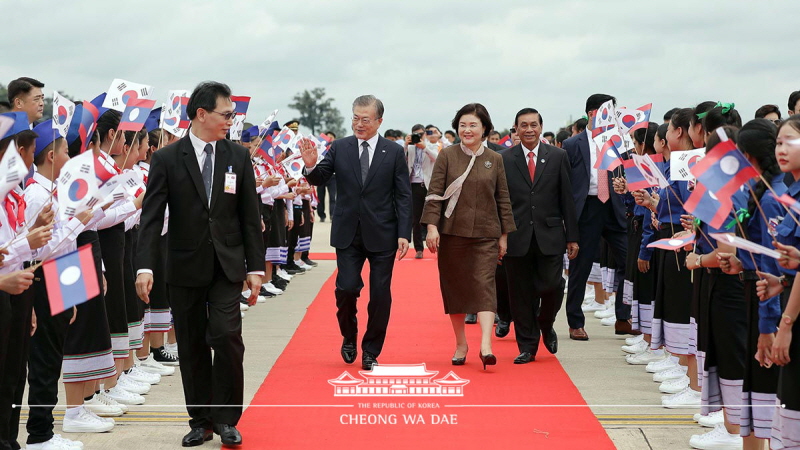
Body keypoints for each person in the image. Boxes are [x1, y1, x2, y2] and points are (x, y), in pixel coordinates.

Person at [136, 81, 265, 447]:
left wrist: (255, 268)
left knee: (225, 336)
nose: (231, 120)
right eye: (226, 114)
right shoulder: (166, 158)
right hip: (183, 265)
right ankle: (201, 419)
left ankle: (227, 419)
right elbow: (150, 219)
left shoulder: (238, 157)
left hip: (227, 265)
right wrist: (144, 266)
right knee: (191, 343)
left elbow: (248, 214)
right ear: (201, 114)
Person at [300, 95, 412, 371]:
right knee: (347, 288)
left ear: (379, 121)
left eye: (365, 119)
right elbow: (320, 177)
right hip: (348, 232)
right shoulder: (340, 147)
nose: (359, 124)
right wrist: (311, 165)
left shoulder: (394, 152)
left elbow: (403, 196)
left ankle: (371, 349)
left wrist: (404, 232)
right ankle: (349, 336)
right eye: (355, 118)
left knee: (380, 294)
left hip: (383, 233)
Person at [422, 103, 515, 370]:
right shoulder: (447, 155)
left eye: (473, 125)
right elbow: (434, 193)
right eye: (463, 125)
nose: (467, 129)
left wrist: (504, 235)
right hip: (452, 234)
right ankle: (461, 343)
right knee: (456, 289)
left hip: (487, 234)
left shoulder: (495, 159)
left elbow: (503, 199)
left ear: (485, 128)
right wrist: (431, 227)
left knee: (486, 286)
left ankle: (486, 345)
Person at [500, 108, 578, 363]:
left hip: (551, 234)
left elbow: (567, 198)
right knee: (519, 294)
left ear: (541, 127)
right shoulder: (504, 159)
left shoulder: (557, 156)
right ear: (516, 129)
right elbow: (499, 201)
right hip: (516, 236)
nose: (529, 130)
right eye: (524, 125)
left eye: (533, 124)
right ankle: (528, 346)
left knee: (552, 286)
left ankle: (546, 323)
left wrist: (572, 237)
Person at [563, 94, 631, 341]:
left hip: (614, 207)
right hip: (587, 209)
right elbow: (567, 184)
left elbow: (629, 173)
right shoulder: (573, 145)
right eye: (609, 112)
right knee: (580, 267)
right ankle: (575, 322)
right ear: (593, 113)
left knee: (628, 260)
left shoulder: (619, 142)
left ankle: (623, 317)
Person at [405, 124, 439, 259]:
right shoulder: (410, 148)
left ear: (424, 134)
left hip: (428, 185)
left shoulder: (431, 146)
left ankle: (437, 244)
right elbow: (401, 160)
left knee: (434, 216)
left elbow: (437, 159)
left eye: (420, 134)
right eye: (415, 135)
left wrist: (424, 148)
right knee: (416, 218)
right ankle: (419, 248)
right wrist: (406, 145)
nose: (418, 137)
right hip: (413, 184)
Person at [316, 131, 337, 223]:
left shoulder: (337, 149)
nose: (330, 139)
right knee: (320, 196)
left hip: (333, 176)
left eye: (331, 137)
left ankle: (332, 214)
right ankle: (321, 215)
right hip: (322, 174)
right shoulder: (320, 149)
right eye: (327, 137)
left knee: (333, 197)